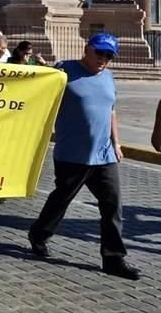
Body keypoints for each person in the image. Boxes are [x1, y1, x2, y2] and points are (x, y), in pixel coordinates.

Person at [28, 33, 140, 280]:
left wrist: (116, 143)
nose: (103, 59)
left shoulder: (109, 77)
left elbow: (111, 111)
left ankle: (113, 258)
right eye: (99, 52)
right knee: (61, 199)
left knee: (112, 206)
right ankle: (39, 234)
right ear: (87, 49)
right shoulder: (64, 71)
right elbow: (36, 92)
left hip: (104, 154)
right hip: (72, 154)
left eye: (109, 56)